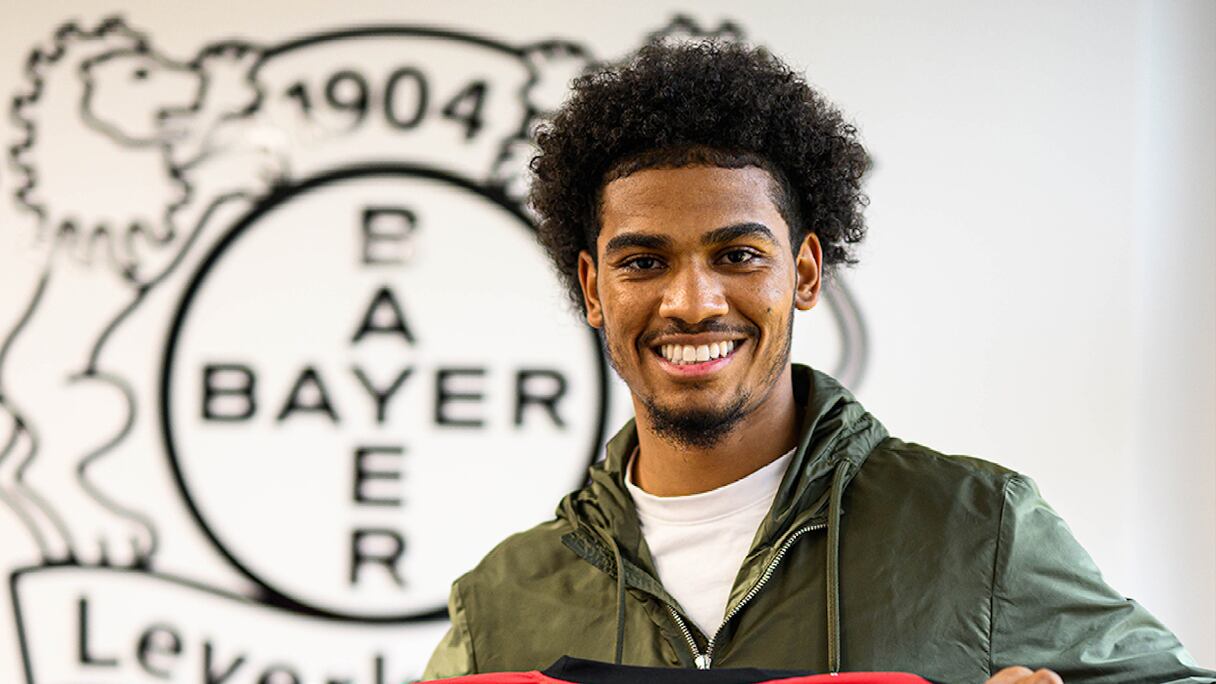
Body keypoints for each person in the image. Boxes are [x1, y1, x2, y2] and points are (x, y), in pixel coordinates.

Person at [423, 40, 1214, 683]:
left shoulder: (977, 529)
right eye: (643, 263)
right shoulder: (501, 603)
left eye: (737, 255)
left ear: (804, 273)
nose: (691, 302)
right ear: (593, 288)